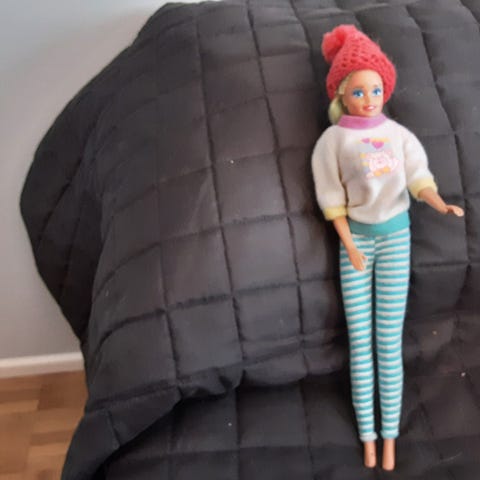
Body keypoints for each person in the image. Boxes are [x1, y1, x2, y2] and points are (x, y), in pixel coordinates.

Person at [311, 24, 464, 471]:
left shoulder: (399, 135)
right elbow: (331, 199)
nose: (369, 98)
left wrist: (438, 202)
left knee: (388, 341)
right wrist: (349, 244)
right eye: (359, 91)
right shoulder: (332, 142)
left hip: (397, 239)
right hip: (357, 242)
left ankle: (391, 435)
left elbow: (418, 177)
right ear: (342, 94)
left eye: (376, 90)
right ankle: (368, 436)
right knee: (360, 343)